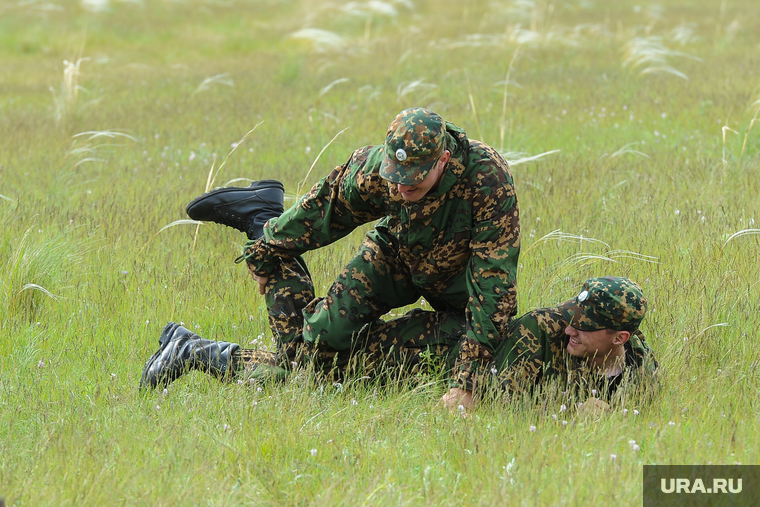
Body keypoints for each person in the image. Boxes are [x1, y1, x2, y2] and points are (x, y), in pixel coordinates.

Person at [140, 107, 521, 401]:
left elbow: (494, 286)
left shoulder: (486, 180)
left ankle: (194, 350)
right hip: (396, 254)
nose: (402, 188)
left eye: (414, 181)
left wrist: (467, 384)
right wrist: (266, 245)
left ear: (441, 162)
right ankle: (261, 219)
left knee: (327, 369)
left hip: (458, 297)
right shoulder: (379, 171)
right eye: (396, 177)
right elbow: (326, 208)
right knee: (318, 344)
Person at [442, 276, 658, 412]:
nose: (569, 330)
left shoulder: (640, 364)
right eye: (571, 318)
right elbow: (497, 404)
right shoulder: (536, 330)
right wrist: (573, 412)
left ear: (620, 338)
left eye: (584, 326)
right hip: (446, 348)